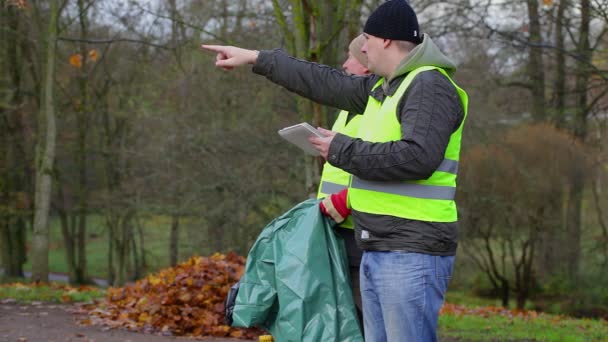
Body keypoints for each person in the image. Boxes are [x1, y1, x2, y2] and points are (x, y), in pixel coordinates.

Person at [202, 1, 469, 341]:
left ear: (385, 40)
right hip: (381, 245)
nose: (362, 48)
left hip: (410, 250)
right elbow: (322, 81)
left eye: (367, 39)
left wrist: (340, 148)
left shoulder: (428, 85)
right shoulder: (385, 88)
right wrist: (256, 58)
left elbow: (418, 157)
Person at [317, 34, 370, 328]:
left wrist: (346, 199)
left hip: (359, 223)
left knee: (365, 314)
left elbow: (380, 164)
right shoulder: (348, 108)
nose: (344, 63)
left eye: (351, 57)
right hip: (336, 223)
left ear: (365, 65)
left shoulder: (376, 110)